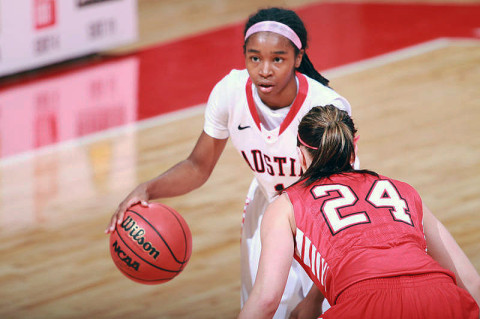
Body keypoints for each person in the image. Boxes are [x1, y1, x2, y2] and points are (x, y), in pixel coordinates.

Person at [106, 7, 350, 318]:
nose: (264, 69)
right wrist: (147, 189)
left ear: (298, 58)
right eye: (254, 58)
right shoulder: (230, 92)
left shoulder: (327, 108)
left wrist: (315, 298)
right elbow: (198, 166)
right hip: (269, 213)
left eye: (278, 59)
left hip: (327, 221)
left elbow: (344, 198)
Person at [238, 105, 480, 319]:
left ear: (300, 155)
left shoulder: (286, 205)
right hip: (442, 298)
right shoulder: (402, 190)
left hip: (364, 306)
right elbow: (470, 281)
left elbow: (267, 300)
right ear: (353, 148)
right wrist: (313, 300)